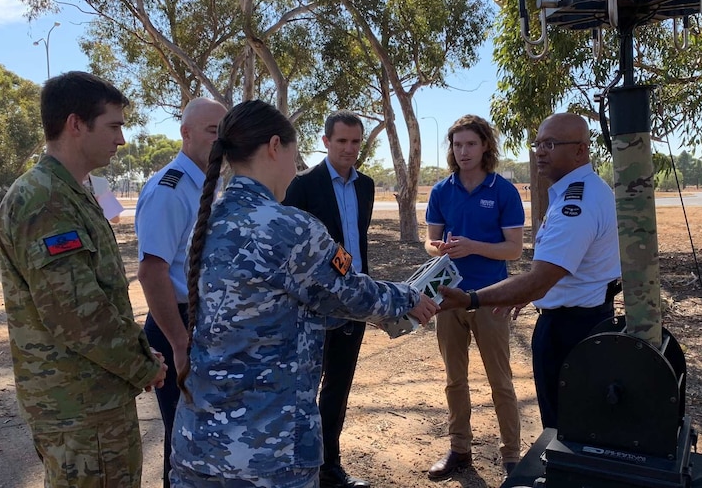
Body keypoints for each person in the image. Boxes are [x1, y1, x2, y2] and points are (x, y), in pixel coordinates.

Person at [169, 100, 438, 488]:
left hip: (198, 444)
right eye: (295, 156)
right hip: (267, 452)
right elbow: (353, 294)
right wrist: (409, 296)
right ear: (275, 147)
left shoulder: (209, 219)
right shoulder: (289, 227)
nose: (295, 169)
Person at [0, 71, 167, 488]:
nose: (122, 139)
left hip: (92, 401)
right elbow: (77, 313)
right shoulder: (45, 200)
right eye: (113, 126)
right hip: (81, 411)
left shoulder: (70, 191)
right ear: (75, 124)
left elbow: (96, 298)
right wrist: (143, 365)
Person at [437, 113, 621, 430]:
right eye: (537, 144)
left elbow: (538, 279)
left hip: (572, 329)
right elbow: (561, 271)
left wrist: (469, 299)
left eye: (550, 144)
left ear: (580, 150)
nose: (540, 152)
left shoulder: (573, 205)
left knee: (565, 423)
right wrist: (531, 290)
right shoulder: (581, 191)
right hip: (579, 318)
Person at [423, 115, 524, 479]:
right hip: (448, 298)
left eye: (470, 144)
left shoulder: (503, 191)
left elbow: (513, 250)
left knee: (501, 380)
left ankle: (512, 456)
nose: (462, 151)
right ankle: (459, 450)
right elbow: (429, 241)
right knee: (454, 379)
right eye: (456, 144)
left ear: (485, 146)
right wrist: (439, 249)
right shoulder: (440, 191)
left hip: (490, 298)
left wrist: (473, 247)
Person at [135, 97, 227, 488]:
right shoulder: (170, 190)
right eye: (212, 131)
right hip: (177, 325)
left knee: (206, 439)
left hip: (200, 322)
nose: (220, 140)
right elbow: (151, 271)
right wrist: (179, 342)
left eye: (225, 133)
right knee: (183, 442)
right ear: (185, 133)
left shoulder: (210, 183)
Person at [282, 110, 374, 488]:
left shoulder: (366, 186)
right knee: (303, 390)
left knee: (338, 389)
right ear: (325, 142)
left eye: (355, 141)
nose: (349, 149)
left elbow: (358, 244)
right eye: (342, 141)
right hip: (313, 310)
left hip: (354, 305)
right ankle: (296, 468)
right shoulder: (302, 186)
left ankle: (329, 466)